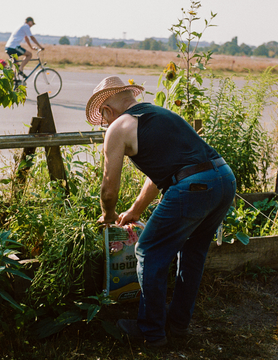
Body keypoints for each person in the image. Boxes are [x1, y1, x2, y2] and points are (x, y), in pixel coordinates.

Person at [86, 76, 236, 347]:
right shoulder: (159, 114)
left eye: (103, 118)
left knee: (148, 251)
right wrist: (134, 210)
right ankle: (177, 325)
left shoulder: (118, 127)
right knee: (192, 253)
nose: (105, 124)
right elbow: (160, 175)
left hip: (194, 187)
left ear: (107, 111)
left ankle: (151, 332)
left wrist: (108, 215)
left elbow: (109, 189)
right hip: (224, 179)